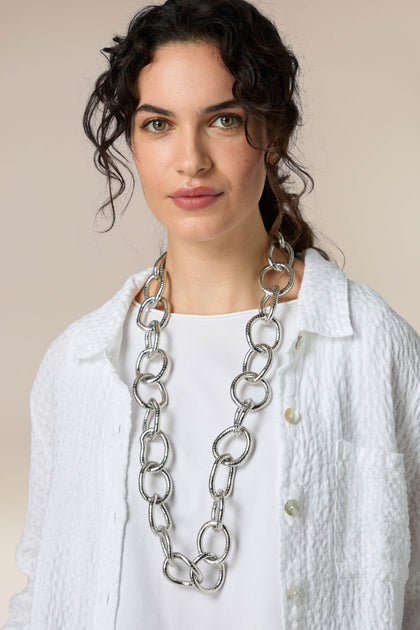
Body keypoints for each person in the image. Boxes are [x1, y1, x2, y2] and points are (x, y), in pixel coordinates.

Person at [3, 0, 419, 628]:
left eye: (223, 120)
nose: (190, 159)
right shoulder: (80, 363)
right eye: (158, 124)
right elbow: (43, 594)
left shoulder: (371, 345)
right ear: (132, 143)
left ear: (273, 136)